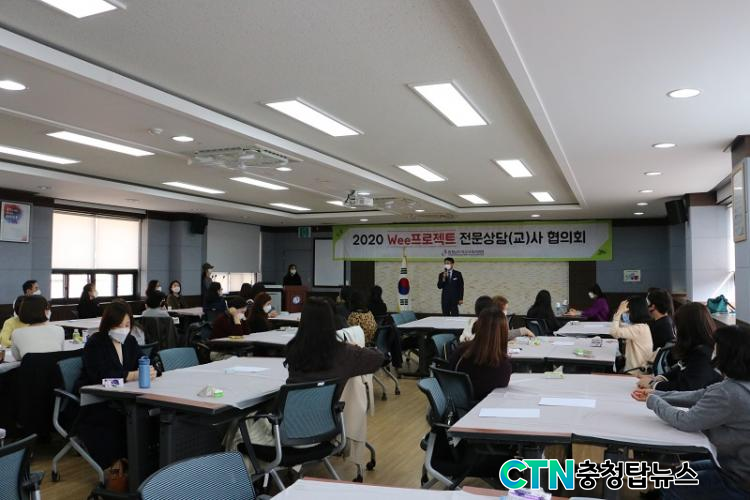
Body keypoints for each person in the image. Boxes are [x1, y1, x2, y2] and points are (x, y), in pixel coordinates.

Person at [632, 325, 750, 499]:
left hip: (738, 480)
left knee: (674, 484)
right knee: (678, 473)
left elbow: (685, 421)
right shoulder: (738, 383)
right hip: (734, 466)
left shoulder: (729, 392)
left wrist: (653, 401)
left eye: (716, 348)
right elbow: (700, 394)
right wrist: (657, 394)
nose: (712, 352)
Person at [75, 300, 156, 474]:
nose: (123, 329)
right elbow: (101, 375)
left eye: (126, 325)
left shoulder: (130, 341)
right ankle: (117, 467)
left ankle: (144, 465)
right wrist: (132, 375)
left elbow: (143, 361)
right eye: (118, 325)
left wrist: (151, 369)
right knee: (118, 419)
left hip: (122, 397)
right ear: (108, 324)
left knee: (149, 415)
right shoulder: (96, 342)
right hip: (96, 400)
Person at [286, 297, 385, 382]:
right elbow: (379, 357)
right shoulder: (345, 353)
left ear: (302, 323)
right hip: (331, 399)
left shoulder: (292, 351)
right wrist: (353, 346)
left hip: (297, 398)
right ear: (331, 321)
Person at [637, 302, 721, 392]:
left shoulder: (704, 354)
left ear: (686, 329)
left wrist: (653, 385)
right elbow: (681, 369)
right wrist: (658, 378)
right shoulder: (699, 347)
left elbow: (687, 387)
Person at [449, 305, 512, 400]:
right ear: (504, 333)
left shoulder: (461, 351)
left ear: (478, 326)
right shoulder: (502, 367)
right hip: (481, 407)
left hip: (456, 403)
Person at [10, 295, 64, 360]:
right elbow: (60, 353)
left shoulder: (16, 333)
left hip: (29, 366)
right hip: (55, 366)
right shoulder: (59, 330)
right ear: (45, 311)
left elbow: (18, 358)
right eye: (47, 308)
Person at [460, 295, 534, 342]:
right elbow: (503, 335)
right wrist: (523, 331)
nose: (506, 312)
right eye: (504, 310)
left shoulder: (474, 322)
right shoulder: (489, 324)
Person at [609, 297, 653, 374]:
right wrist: (620, 313)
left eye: (628, 311)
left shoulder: (638, 329)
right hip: (639, 368)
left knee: (609, 370)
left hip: (634, 372)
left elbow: (614, 332)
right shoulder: (643, 326)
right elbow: (621, 327)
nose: (627, 314)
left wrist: (619, 312)